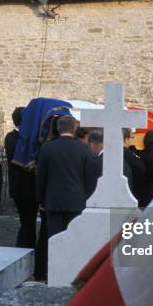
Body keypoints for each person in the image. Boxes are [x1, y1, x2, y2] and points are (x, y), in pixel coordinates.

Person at [35, 115, 95, 280]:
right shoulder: (83, 149)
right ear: (74, 128)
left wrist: (40, 199)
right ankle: (73, 274)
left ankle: (54, 274)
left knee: (54, 239)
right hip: (77, 201)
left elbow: (41, 177)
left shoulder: (48, 148)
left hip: (53, 200)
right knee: (75, 239)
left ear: (58, 129)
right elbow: (89, 179)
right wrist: (87, 199)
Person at [5, 107, 39, 249]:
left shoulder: (18, 137)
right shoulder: (15, 138)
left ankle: (25, 247)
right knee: (27, 222)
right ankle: (25, 249)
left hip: (25, 187)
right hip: (24, 188)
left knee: (28, 222)